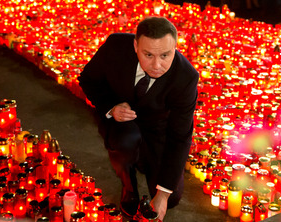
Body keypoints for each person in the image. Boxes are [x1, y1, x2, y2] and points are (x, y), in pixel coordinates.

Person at [78, 17, 199, 220]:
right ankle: (128, 184)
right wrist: (111, 107)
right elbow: (88, 79)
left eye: (165, 55)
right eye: (148, 54)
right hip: (120, 124)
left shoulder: (185, 77)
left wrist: (163, 194)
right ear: (135, 45)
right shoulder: (116, 47)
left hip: (157, 129)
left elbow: (180, 136)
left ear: (175, 48)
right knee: (127, 140)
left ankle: (144, 159)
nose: (157, 65)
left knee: (172, 197)